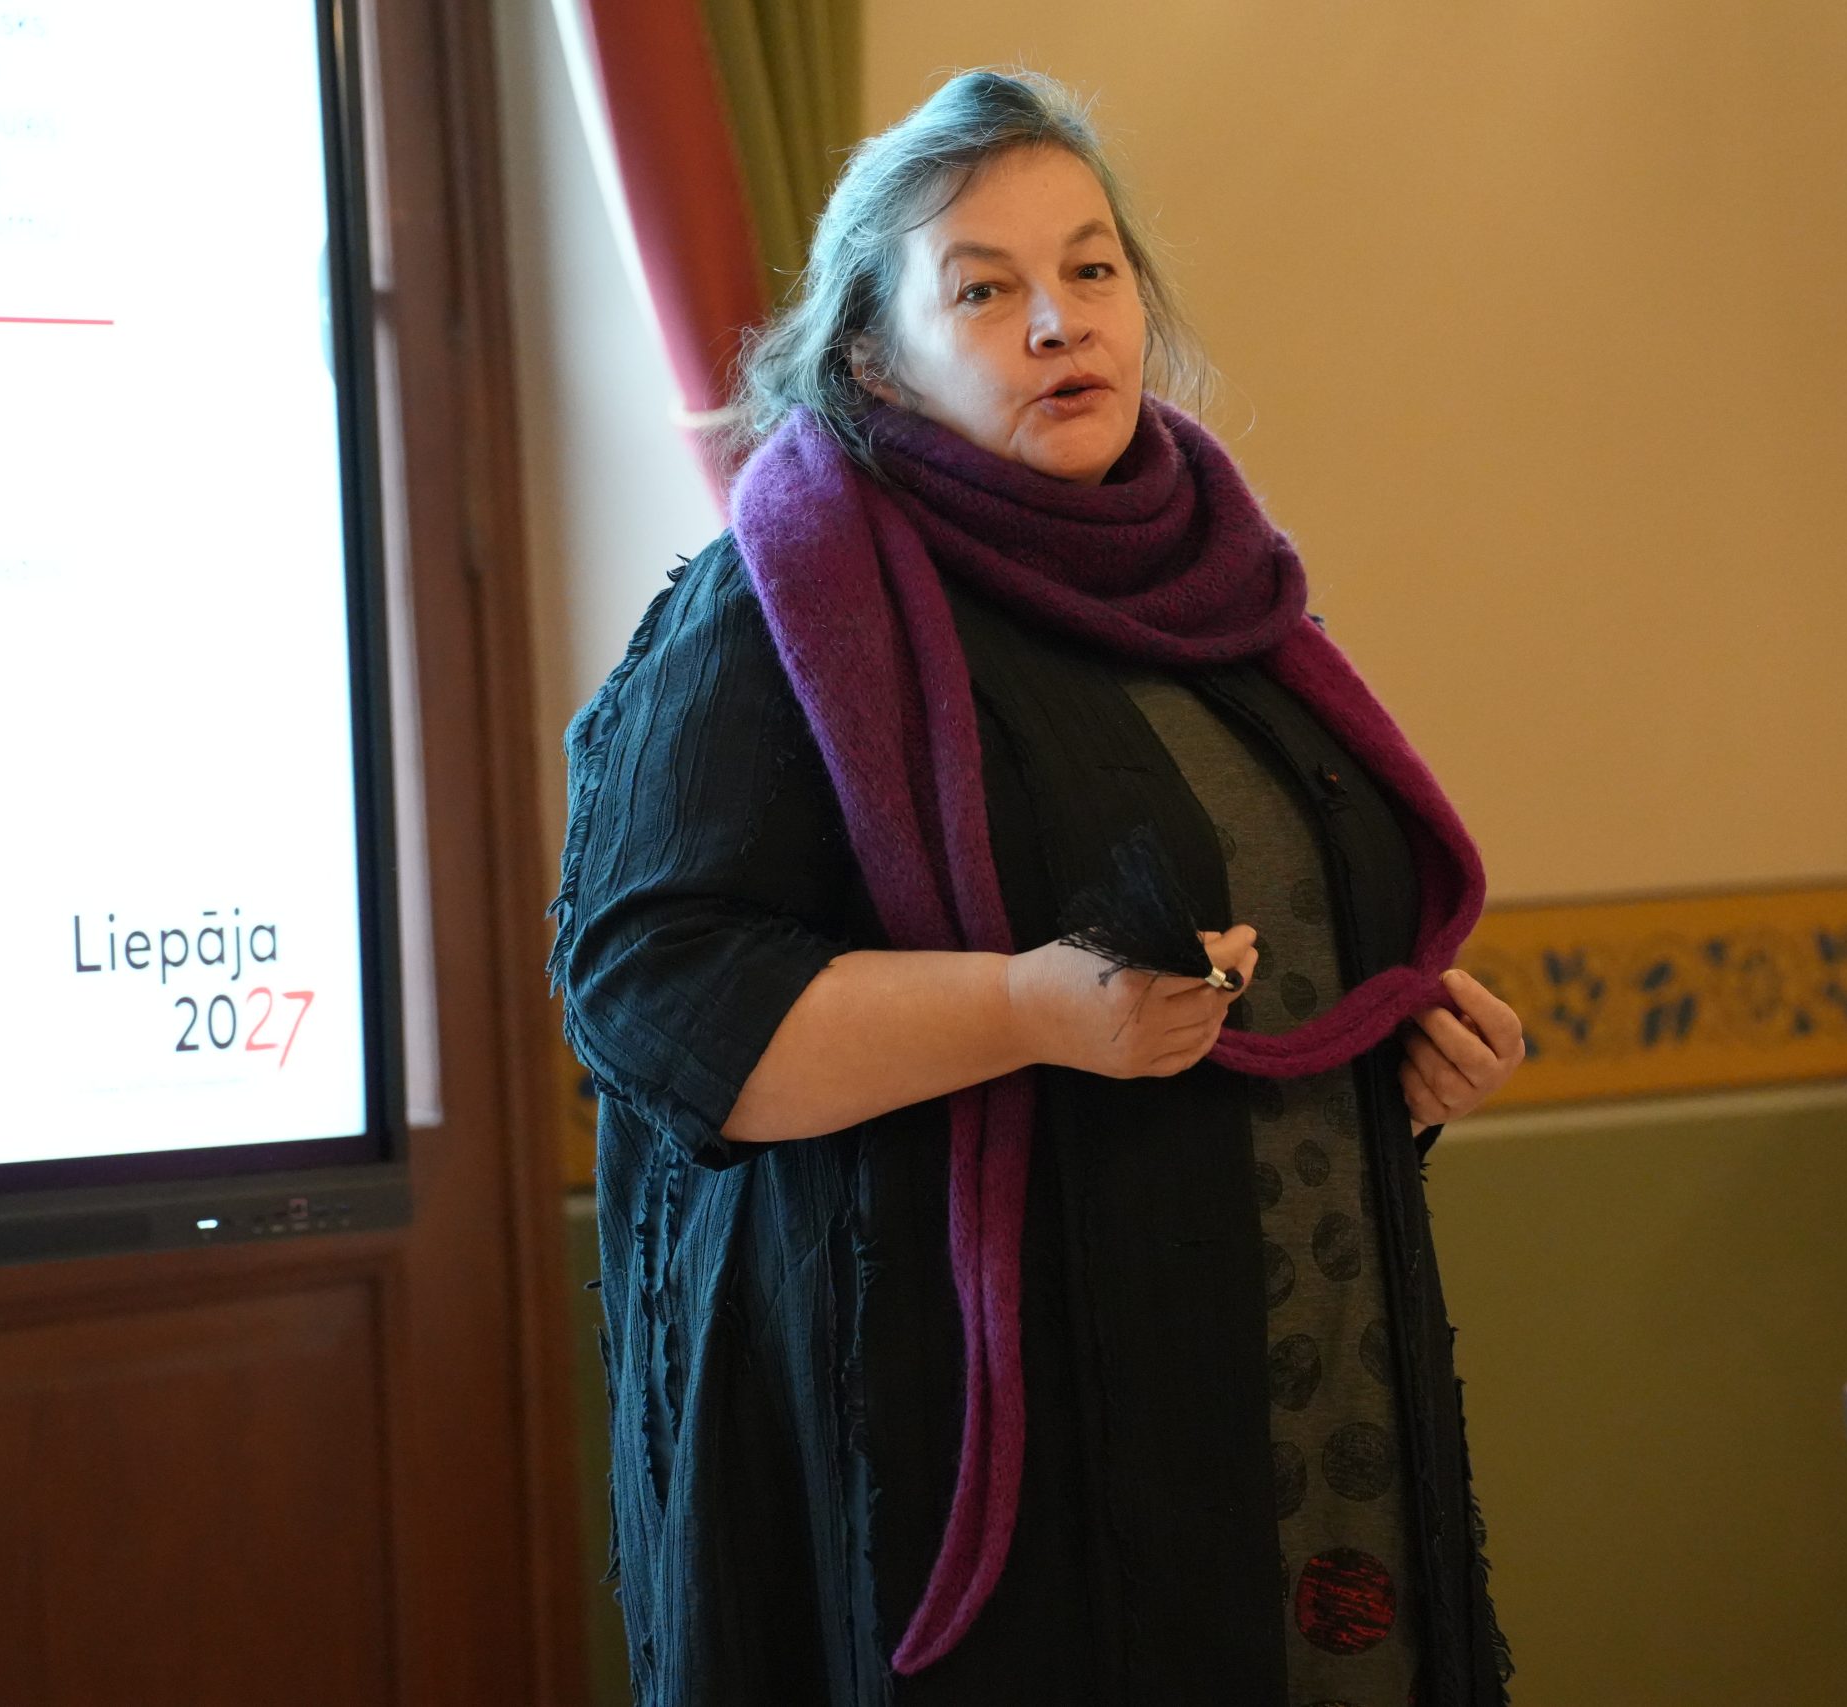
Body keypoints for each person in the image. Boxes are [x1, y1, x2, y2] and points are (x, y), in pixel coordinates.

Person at [549, 68, 1527, 1707]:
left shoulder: (1221, 595)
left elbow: (1263, 938)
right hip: (963, 1448)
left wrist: (1396, 1042)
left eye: (1091, 270)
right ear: (876, 357)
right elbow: (654, 1001)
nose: (1062, 323)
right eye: (984, 291)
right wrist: (1020, 1010)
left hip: (1306, 1386)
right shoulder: (771, 609)